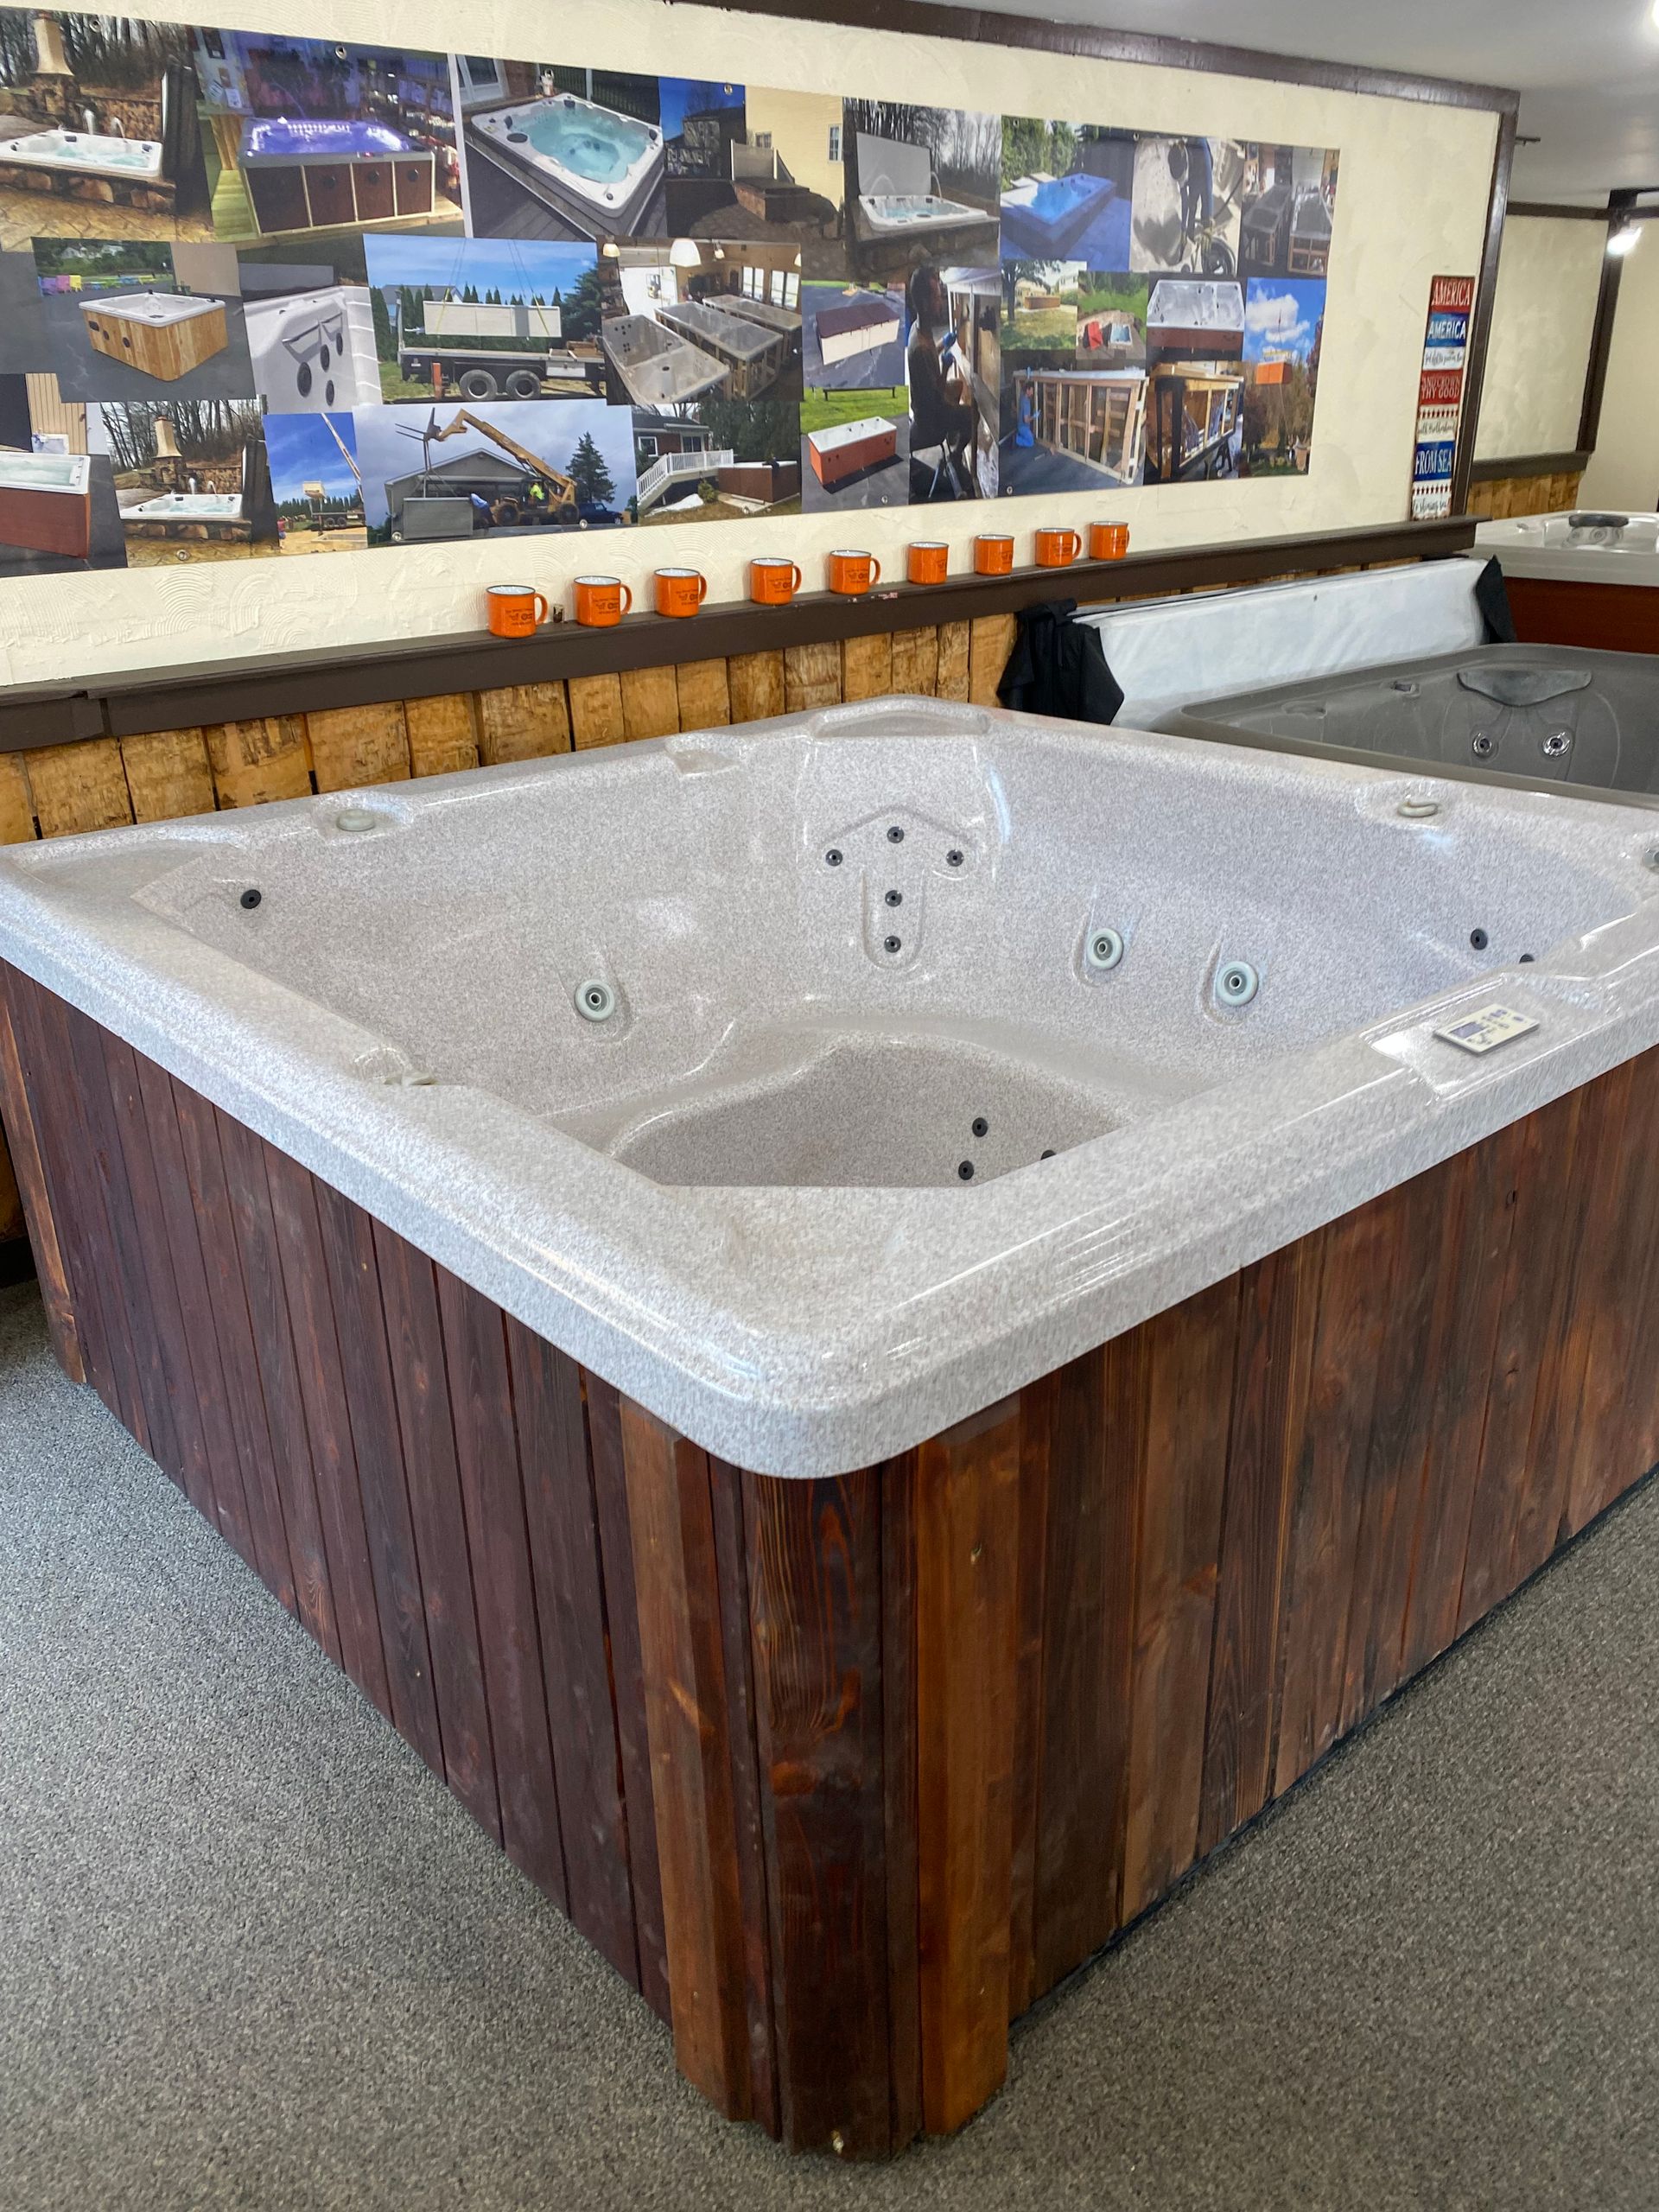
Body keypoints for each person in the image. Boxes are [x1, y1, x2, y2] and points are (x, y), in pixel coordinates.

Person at [906, 264, 976, 493]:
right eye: (937, 297)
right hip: (929, 420)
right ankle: (955, 457)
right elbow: (935, 399)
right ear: (925, 303)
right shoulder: (921, 349)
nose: (941, 301)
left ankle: (953, 434)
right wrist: (945, 367)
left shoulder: (919, 330)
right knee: (971, 415)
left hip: (924, 404)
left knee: (957, 385)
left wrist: (943, 343)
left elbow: (929, 362)